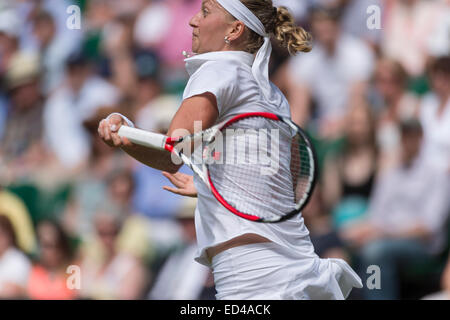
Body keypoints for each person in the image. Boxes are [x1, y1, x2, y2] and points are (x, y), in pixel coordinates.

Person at [98, 0, 362, 300]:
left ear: (235, 29)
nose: (193, 21)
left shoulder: (218, 71)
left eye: (206, 11)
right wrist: (209, 185)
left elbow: (172, 155)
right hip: (287, 269)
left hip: (251, 279)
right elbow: (274, 185)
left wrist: (123, 137)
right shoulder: (274, 96)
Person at [341, 120, 450, 300]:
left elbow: (428, 228)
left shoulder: (436, 174)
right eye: (404, 135)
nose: (408, 140)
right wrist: (356, 231)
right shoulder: (391, 173)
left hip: (422, 247)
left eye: (412, 135)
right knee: (339, 241)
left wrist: (384, 233)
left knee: (374, 251)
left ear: (421, 138)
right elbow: (376, 216)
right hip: (386, 237)